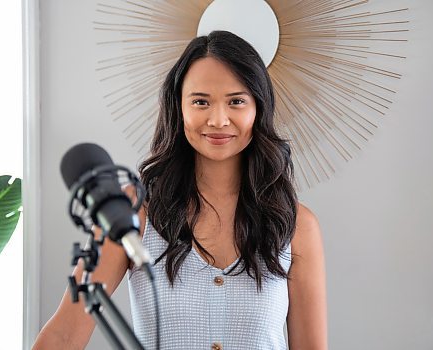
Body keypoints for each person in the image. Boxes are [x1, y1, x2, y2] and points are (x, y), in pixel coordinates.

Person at [33, 30, 327, 350]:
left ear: (258, 108)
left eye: (236, 101)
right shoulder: (132, 212)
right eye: (201, 101)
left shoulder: (297, 225)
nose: (217, 119)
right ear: (179, 108)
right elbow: (63, 336)